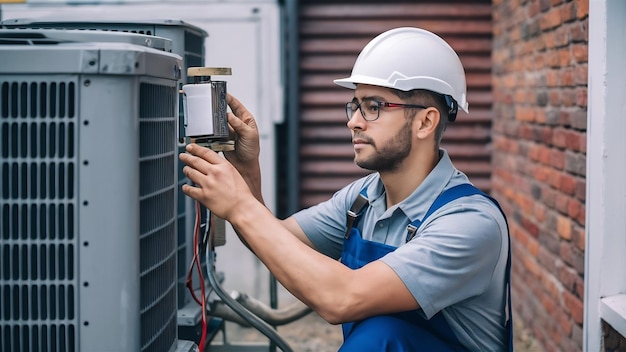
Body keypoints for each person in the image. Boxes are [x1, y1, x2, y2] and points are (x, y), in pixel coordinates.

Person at [179, 27, 512, 351]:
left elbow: (342, 299)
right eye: (355, 104)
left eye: (374, 106)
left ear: (425, 122)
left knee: (383, 332)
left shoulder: (469, 223)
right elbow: (276, 240)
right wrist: (247, 172)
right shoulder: (363, 199)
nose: (353, 121)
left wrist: (239, 205)